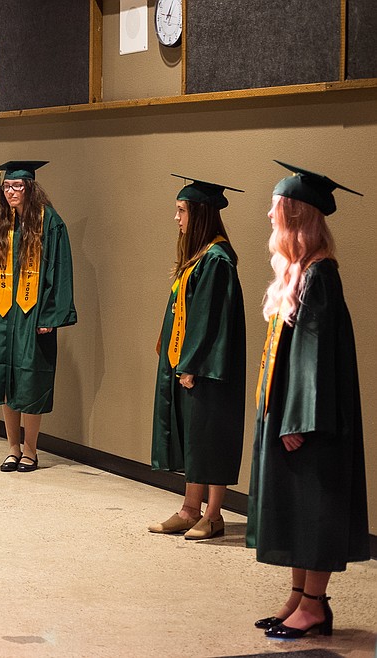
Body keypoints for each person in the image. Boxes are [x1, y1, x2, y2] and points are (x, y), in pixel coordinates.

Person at [247, 161, 369, 639]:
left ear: (296, 215)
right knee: (296, 506)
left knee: (314, 506)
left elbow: (313, 359)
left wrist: (296, 420)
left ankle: (315, 604)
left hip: (311, 421)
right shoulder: (299, 273)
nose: (268, 215)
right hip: (290, 417)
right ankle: (298, 596)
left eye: (276, 208)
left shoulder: (320, 277)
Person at [147, 175, 246, 540]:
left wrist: (192, 364)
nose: (177, 218)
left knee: (211, 436)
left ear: (200, 214)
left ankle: (214, 515)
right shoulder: (198, 258)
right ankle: (190, 509)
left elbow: (209, 319)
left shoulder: (217, 260)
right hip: (189, 364)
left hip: (209, 368)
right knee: (195, 436)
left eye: (182, 210)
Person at [0, 161, 75, 471]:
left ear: (30, 188)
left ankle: (31, 450)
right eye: (6, 187)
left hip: (32, 316)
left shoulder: (50, 223)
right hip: (3, 313)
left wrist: (50, 316)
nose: (11, 192)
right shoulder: (1, 221)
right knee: (5, 379)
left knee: (28, 381)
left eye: (17, 186)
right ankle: (12, 448)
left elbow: (61, 271)